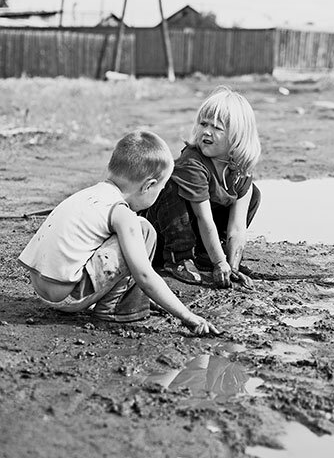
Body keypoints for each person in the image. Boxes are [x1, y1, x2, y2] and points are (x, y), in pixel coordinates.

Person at [18, 131, 220, 335]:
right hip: (67, 297)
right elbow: (144, 275)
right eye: (160, 189)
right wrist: (187, 316)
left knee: (125, 231)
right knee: (144, 230)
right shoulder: (122, 214)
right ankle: (114, 310)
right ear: (148, 185)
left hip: (41, 289)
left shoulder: (89, 195)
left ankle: (119, 300)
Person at [146, 86, 261, 289]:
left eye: (217, 127)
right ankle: (179, 258)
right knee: (171, 186)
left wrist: (231, 266)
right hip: (164, 234)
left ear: (237, 136)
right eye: (203, 124)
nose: (206, 131)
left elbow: (237, 228)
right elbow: (204, 218)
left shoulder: (241, 172)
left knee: (253, 194)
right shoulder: (193, 162)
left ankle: (205, 254)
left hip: (198, 233)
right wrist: (219, 263)